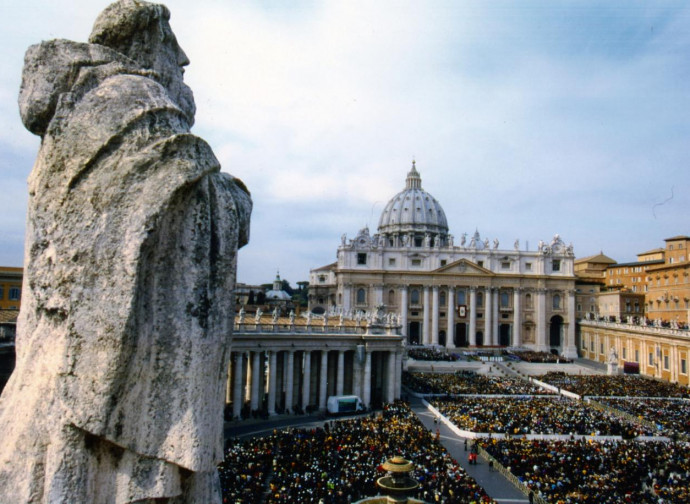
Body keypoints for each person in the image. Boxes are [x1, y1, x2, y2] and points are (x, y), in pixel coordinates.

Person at [0, 1, 251, 502]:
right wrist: (237, 199)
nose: (183, 61)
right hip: (110, 389)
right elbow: (195, 208)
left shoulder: (83, 109)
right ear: (144, 45)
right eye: (172, 49)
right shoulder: (131, 105)